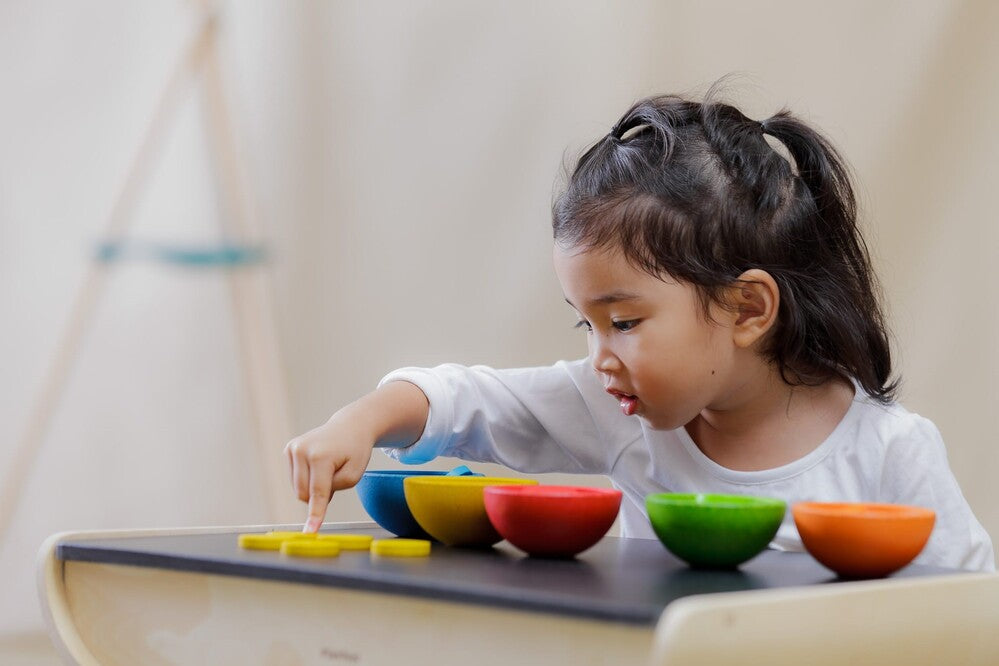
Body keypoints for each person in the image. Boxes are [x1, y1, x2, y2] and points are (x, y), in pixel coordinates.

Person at [285, 91, 994, 571]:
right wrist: (362, 421)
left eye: (622, 322)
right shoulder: (617, 414)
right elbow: (472, 400)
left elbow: (972, 612)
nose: (598, 358)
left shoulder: (889, 453)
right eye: (585, 324)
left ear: (747, 309)